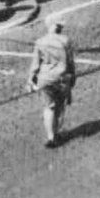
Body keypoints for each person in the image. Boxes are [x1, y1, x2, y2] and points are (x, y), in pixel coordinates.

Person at [28, 13, 77, 148]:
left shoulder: (40, 42)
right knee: (59, 107)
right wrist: (73, 78)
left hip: (44, 80)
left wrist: (30, 81)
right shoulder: (65, 41)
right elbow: (70, 62)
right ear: (56, 26)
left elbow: (35, 64)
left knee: (48, 107)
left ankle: (50, 137)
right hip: (61, 78)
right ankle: (57, 133)